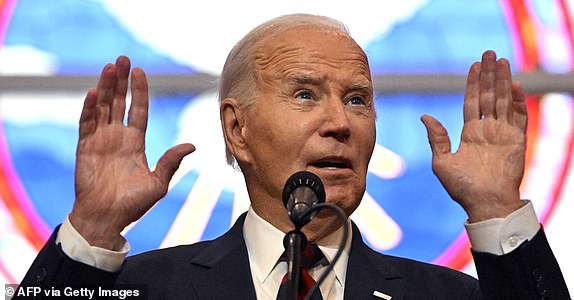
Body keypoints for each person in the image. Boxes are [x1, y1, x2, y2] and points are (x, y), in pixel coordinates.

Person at [17, 14, 570, 299]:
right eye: (305, 94)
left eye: (358, 99)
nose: (340, 122)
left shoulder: (447, 299)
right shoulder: (145, 291)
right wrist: (91, 228)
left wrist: (499, 211)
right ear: (236, 129)